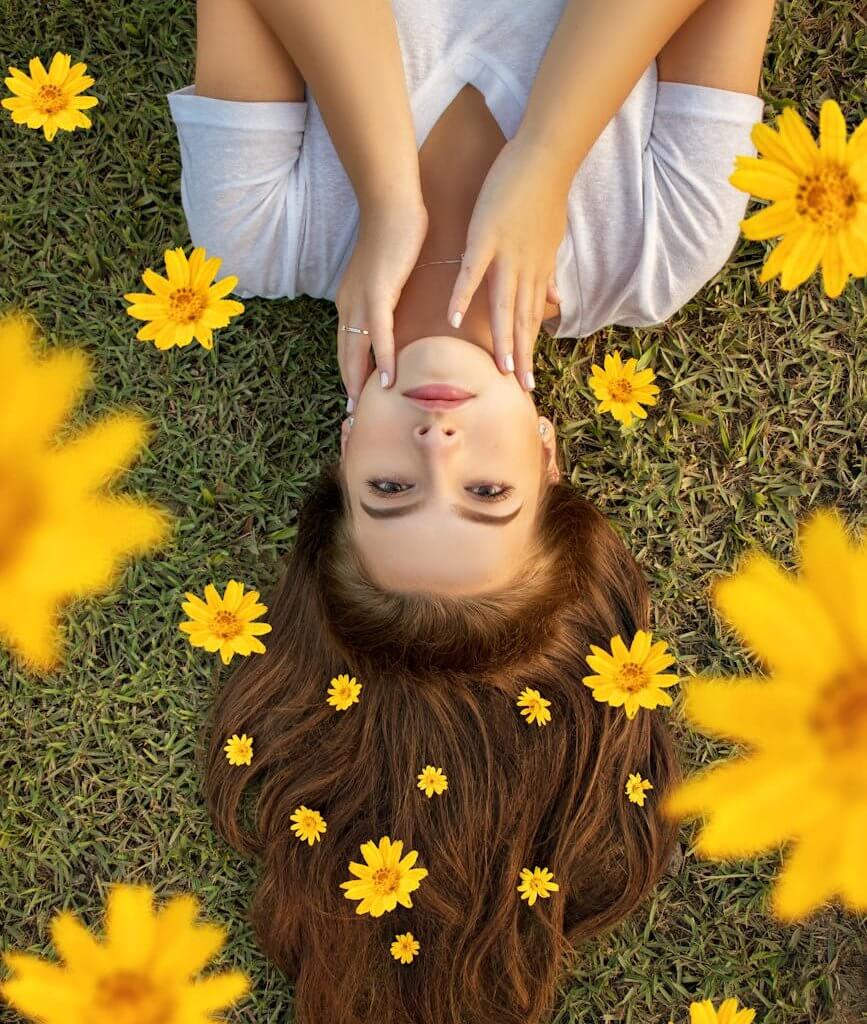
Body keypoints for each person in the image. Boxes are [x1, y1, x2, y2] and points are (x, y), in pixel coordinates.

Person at [168, 1, 776, 1021]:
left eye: (391, 491)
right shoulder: (658, 250)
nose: (438, 447)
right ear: (548, 458)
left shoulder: (258, 231)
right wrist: (545, 157)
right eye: (488, 496)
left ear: (343, 454)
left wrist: (384, 195)